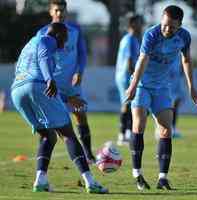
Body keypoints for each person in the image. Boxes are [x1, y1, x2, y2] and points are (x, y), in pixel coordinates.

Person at [11, 23, 108, 194]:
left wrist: (67, 98)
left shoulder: (30, 44)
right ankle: (90, 182)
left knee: (48, 135)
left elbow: (35, 80)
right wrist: (49, 79)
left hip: (17, 90)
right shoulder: (47, 40)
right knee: (68, 134)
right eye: (64, 39)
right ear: (57, 35)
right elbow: (43, 60)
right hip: (36, 85)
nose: (64, 44)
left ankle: (40, 180)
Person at [126, 5, 197, 190]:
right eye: (165, 24)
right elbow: (142, 60)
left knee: (166, 130)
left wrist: (191, 87)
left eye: (172, 27)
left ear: (180, 25)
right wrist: (133, 86)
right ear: (162, 20)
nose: (167, 29)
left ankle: (162, 178)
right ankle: (138, 174)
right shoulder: (151, 35)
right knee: (139, 125)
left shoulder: (184, 37)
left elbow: (187, 60)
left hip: (162, 88)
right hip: (142, 84)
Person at [36, 0, 95, 163]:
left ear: (66, 11)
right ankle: (42, 160)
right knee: (48, 125)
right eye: (56, 10)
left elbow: (82, 54)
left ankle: (89, 154)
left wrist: (79, 72)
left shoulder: (75, 30)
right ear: (50, 12)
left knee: (81, 115)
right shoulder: (42, 33)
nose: (59, 13)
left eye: (62, 10)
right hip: (51, 84)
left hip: (71, 83)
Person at [115, 14, 143, 146]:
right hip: (126, 76)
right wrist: (134, 78)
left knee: (130, 104)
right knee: (127, 104)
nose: (141, 25)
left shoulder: (132, 39)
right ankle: (122, 134)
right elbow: (129, 61)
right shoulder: (130, 39)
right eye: (138, 23)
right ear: (131, 24)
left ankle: (127, 133)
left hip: (125, 76)